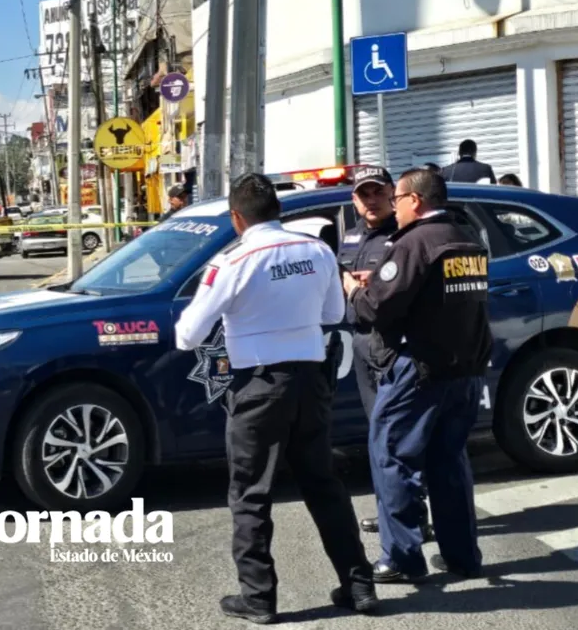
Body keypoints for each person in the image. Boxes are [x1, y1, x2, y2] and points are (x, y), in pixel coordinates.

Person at [176, 173, 378, 624]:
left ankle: (259, 598)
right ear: (278, 212)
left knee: (251, 493)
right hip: (311, 380)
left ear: (236, 218)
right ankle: (359, 584)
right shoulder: (317, 251)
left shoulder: (232, 263)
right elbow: (333, 314)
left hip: (259, 386)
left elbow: (188, 336)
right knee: (324, 485)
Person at [342, 168, 492, 583]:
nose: (393, 206)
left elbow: (374, 309)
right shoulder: (467, 238)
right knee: (449, 462)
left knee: (390, 455)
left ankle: (402, 559)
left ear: (415, 201)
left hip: (419, 369)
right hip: (465, 369)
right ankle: (463, 557)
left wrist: (354, 290)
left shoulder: (413, 244)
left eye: (398, 199)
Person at [336, 166, 434, 541]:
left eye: (378, 192)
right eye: (364, 194)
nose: (371, 200)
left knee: (401, 435)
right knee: (378, 433)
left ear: (393, 194)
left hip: (396, 343)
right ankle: (391, 510)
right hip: (363, 341)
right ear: (354, 200)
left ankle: (414, 515)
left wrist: (367, 284)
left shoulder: (406, 232)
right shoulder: (352, 234)